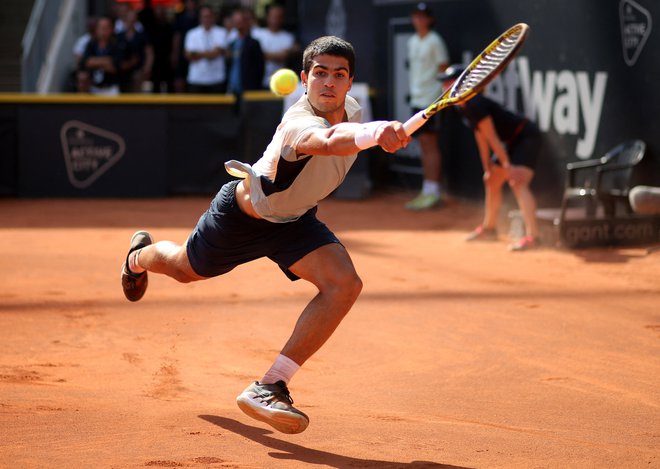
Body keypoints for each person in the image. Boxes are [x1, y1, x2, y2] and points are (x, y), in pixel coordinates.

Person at [120, 36, 411, 434]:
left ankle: (270, 385)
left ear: (350, 83)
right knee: (186, 269)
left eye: (339, 75)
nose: (329, 83)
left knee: (344, 284)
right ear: (305, 79)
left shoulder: (353, 111)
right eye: (320, 74)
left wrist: (373, 130)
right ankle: (138, 256)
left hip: (294, 222)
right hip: (241, 218)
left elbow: (345, 131)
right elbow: (325, 142)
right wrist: (376, 132)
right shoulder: (298, 122)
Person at [441, 65, 542, 251]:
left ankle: (533, 236)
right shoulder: (462, 106)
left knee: (517, 182)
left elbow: (493, 138)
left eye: (449, 82)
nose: (444, 86)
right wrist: (487, 165)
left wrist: (508, 166)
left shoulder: (474, 103)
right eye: (444, 83)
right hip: (512, 141)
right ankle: (489, 229)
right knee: (491, 180)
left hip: (526, 136)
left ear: (463, 85)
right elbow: (481, 135)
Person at [405, 2, 449, 211]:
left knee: (430, 144)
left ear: (429, 19)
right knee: (424, 145)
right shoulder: (413, 41)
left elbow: (443, 71)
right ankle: (427, 190)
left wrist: (439, 99)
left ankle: (433, 192)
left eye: (423, 16)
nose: (419, 20)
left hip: (431, 100)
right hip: (416, 100)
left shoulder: (435, 41)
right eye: (416, 16)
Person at [253, 3, 300, 89]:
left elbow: (283, 56)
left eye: (279, 17)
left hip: (280, 83)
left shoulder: (288, 37)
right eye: (273, 16)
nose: (276, 20)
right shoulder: (257, 34)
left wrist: (265, 54)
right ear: (267, 17)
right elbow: (254, 55)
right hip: (258, 81)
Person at [184, 5, 228, 93]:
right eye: (204, 16)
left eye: (209, 16)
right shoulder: (192, 34)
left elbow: (215, 54)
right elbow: (189, 55)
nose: (206, 19)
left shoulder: (222, 32)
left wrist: (198, 54)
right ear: (200, 18)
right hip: (196, 79)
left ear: (213, 17)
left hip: (216, 79)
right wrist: (210, 53)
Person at [77, 16, 123, 95]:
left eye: (106, 28)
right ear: (97, 29)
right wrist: (106, 61)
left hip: (111, 89)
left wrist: (95, 63)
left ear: (111, 29)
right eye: (101, 28)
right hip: (94, 88)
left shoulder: (116, 45)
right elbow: (85, 62)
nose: (103, 31)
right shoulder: (91, 44)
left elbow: (115, 66)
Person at [226, 7, 265, 96]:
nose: (239, 23)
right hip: (232, 87)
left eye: (241, 20)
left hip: (248, 88)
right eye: (236, 21)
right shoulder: (232, 43)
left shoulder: (254, 43)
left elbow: (260, 68)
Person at [172, 0, 199, 93]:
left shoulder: (199, 17)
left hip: (196, 52)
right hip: (182, 51)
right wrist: (175, 53)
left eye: (193, 2)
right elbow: (177, 36)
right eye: (189, 2)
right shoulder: (180, 17)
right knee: (180, 79)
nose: (191, 4)